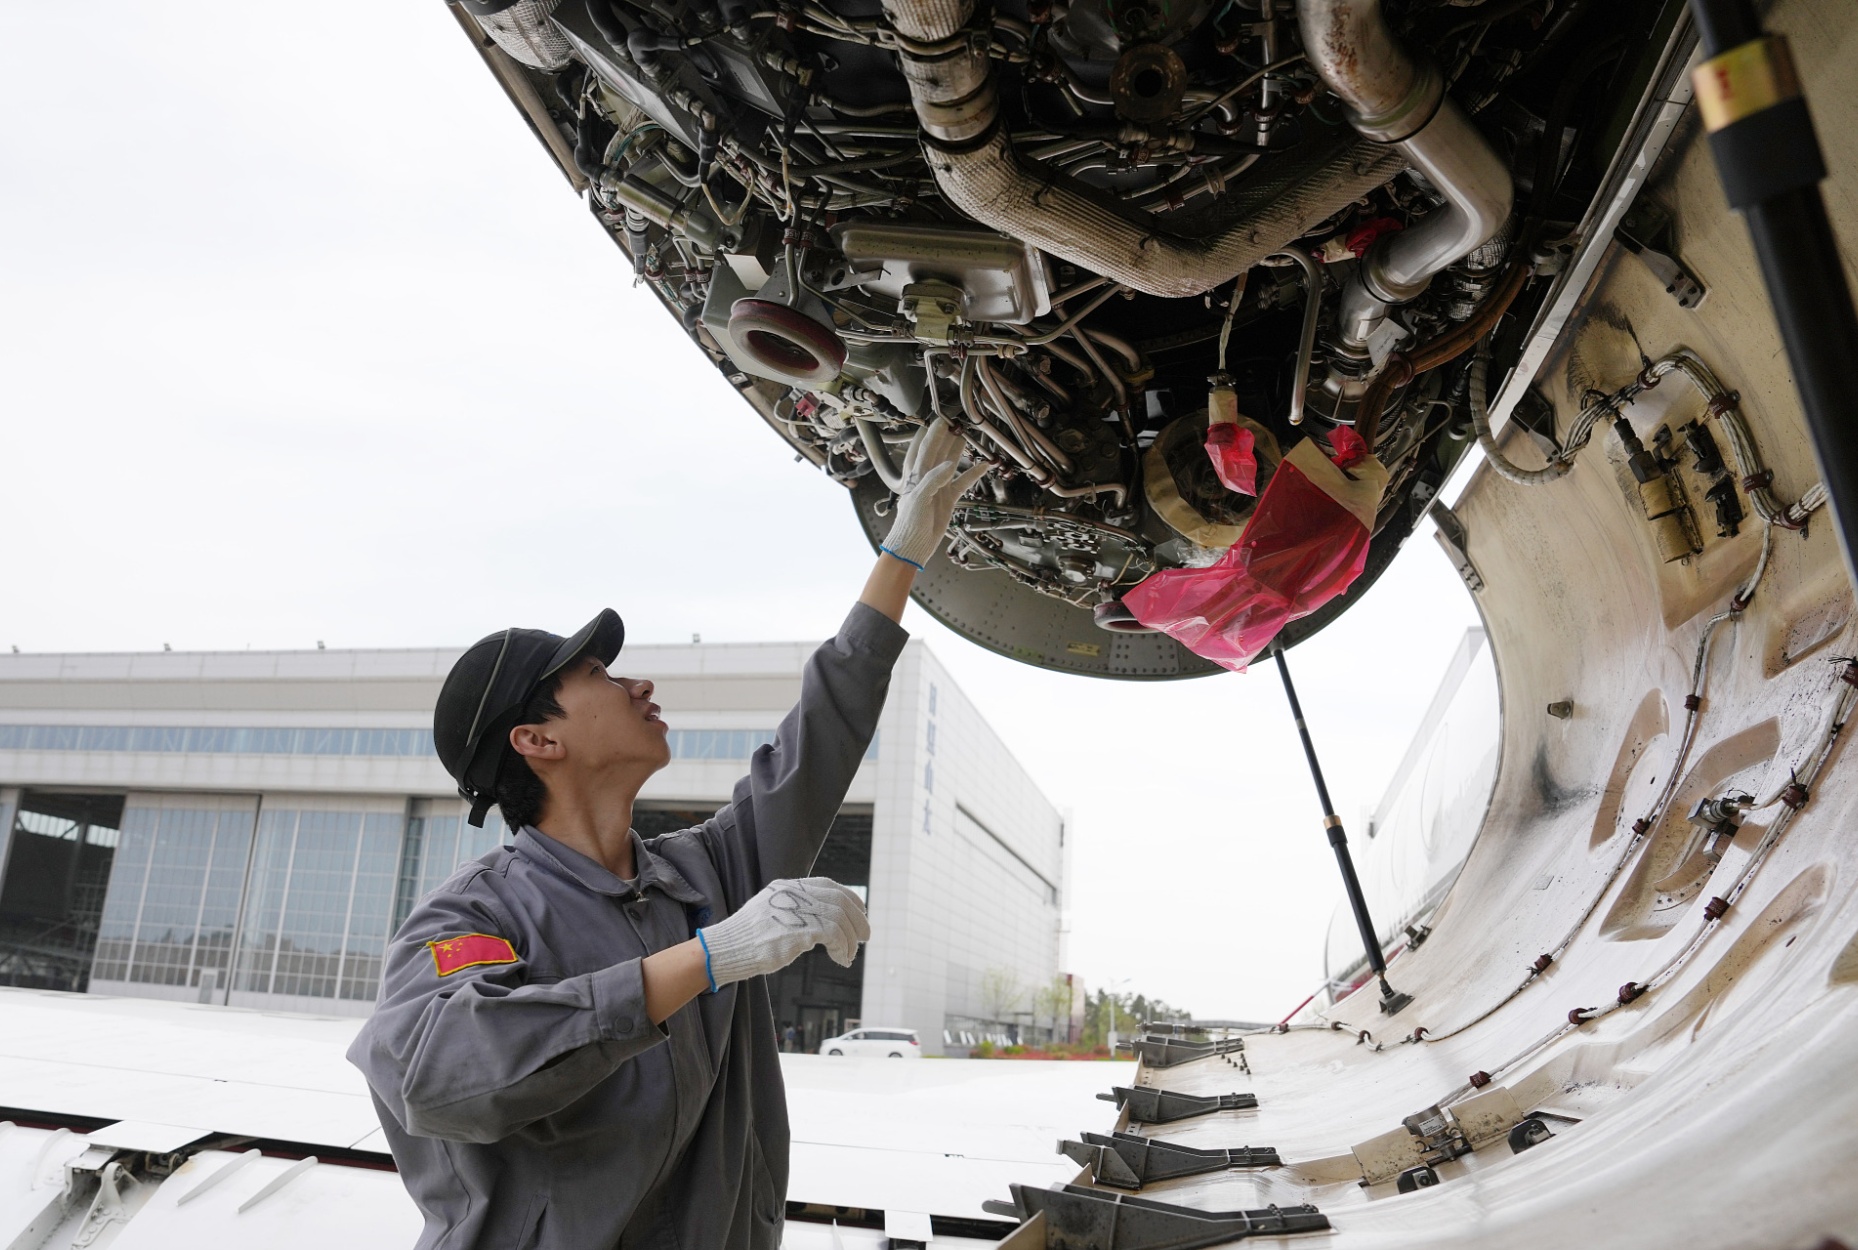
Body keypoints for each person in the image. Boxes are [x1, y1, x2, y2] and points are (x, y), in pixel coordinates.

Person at [348, 423, 982, 1249]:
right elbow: (438, 1076)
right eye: (597, 677)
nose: (637, 681)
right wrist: (707, 959)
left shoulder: (704, 873)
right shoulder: (473, 920)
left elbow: (818, 741)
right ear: (536, 741)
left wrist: (900, 557)